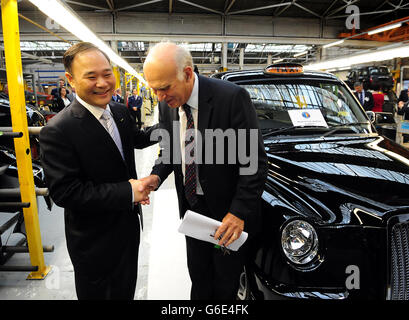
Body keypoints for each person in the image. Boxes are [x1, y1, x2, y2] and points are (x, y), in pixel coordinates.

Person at [139, 42, 268, 300]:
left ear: (187, 74)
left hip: (227, 215)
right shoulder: (168, 103)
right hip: (192, 209)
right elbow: (171, 145)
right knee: (199, 278)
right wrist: (156, 175)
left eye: (164, 88)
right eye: (154, 89)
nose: (160, 97)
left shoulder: (231, 98)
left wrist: (238, 212)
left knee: (224, 285)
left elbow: (254, 163)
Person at [39, 42, 158, 300]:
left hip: (128, 228)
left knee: (126, 289)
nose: (103, 83)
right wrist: (128, 191)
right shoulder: (59, 130)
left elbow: (137, 138)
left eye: (107, 74)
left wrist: (173, 124)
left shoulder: (118, 111)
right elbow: (66, 192)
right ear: (71, 80)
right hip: (94, 242)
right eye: (91, 76)